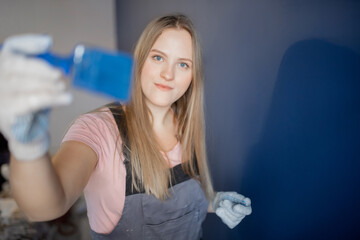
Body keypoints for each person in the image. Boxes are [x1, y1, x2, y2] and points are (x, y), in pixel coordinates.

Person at [0, 14, 252, 239]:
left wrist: (213, 201)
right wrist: (28, 145)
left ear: (193, 76)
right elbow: (45, 206)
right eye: (158, 57)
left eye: (183, 64)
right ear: (140, 61)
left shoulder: (187, 124)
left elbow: (183, 198)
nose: (168, 74)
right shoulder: (99, 129)